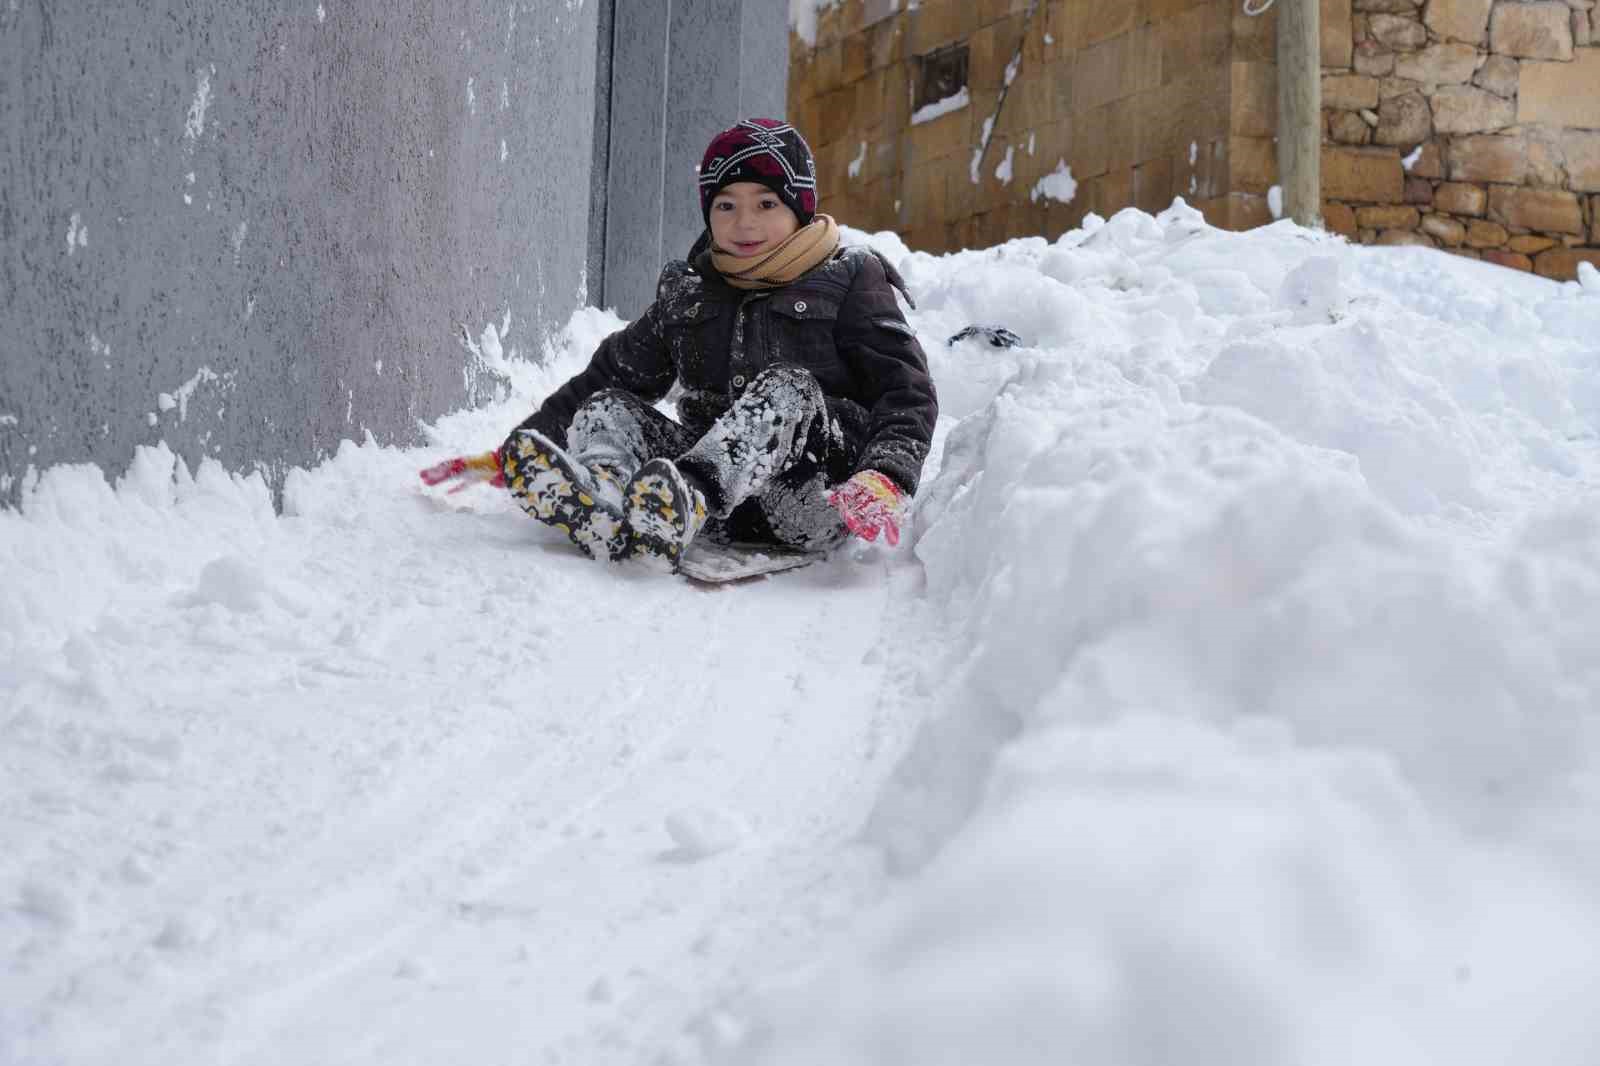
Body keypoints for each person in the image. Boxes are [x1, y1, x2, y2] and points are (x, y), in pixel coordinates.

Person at [499, 117, 937, 569]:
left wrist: (885, 474)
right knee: (608, 405)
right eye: (726, 206)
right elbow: (611, 372)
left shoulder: (848, 278)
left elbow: (906, 389)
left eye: (766, 203)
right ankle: (605, 494)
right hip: (709, 505)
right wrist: (524, 443)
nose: (744, 222)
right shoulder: (691, 293)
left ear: (799, 208)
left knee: (788, 388)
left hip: (807, 496)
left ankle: (683, 501)